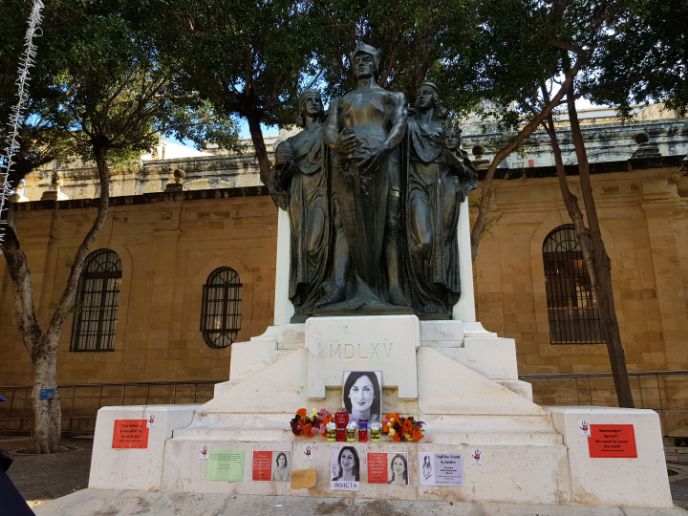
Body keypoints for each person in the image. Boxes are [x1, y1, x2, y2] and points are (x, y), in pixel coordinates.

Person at [319, 43, 410, 313]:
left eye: (367, 59)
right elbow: (330, 131)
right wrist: (338, 146)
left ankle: (394, 287)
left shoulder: (393, 97)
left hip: (385, 162)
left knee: (390, 223)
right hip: (349, 165)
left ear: (376, 63)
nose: (362, 63)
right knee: (344, 224)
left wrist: (383, 149)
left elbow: (400, 125)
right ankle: (338, 285)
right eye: (357, 60)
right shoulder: (340, 101)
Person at [406, 82, 477, 318]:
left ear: (435, 97)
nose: (421, 97)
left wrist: (449, 152)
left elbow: (463, 166)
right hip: (416, 183)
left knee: (443, 240)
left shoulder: (446, 126)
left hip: (444, 184)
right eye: (419, 93)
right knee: (422, 241)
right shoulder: (409, 124)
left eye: (427, 92)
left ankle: (437, 298)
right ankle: (419, 295)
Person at [273, 89, 330, 322]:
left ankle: (323, 294)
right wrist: (283, 163)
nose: (315, 104)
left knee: (315, 244)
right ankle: (308, 299)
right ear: (302, 108)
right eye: (309, 101)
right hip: (299, 194)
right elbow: (280, 179)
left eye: (318, 100)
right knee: (302, 246)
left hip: (322, 192)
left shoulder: (329, 133)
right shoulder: (291, 143)